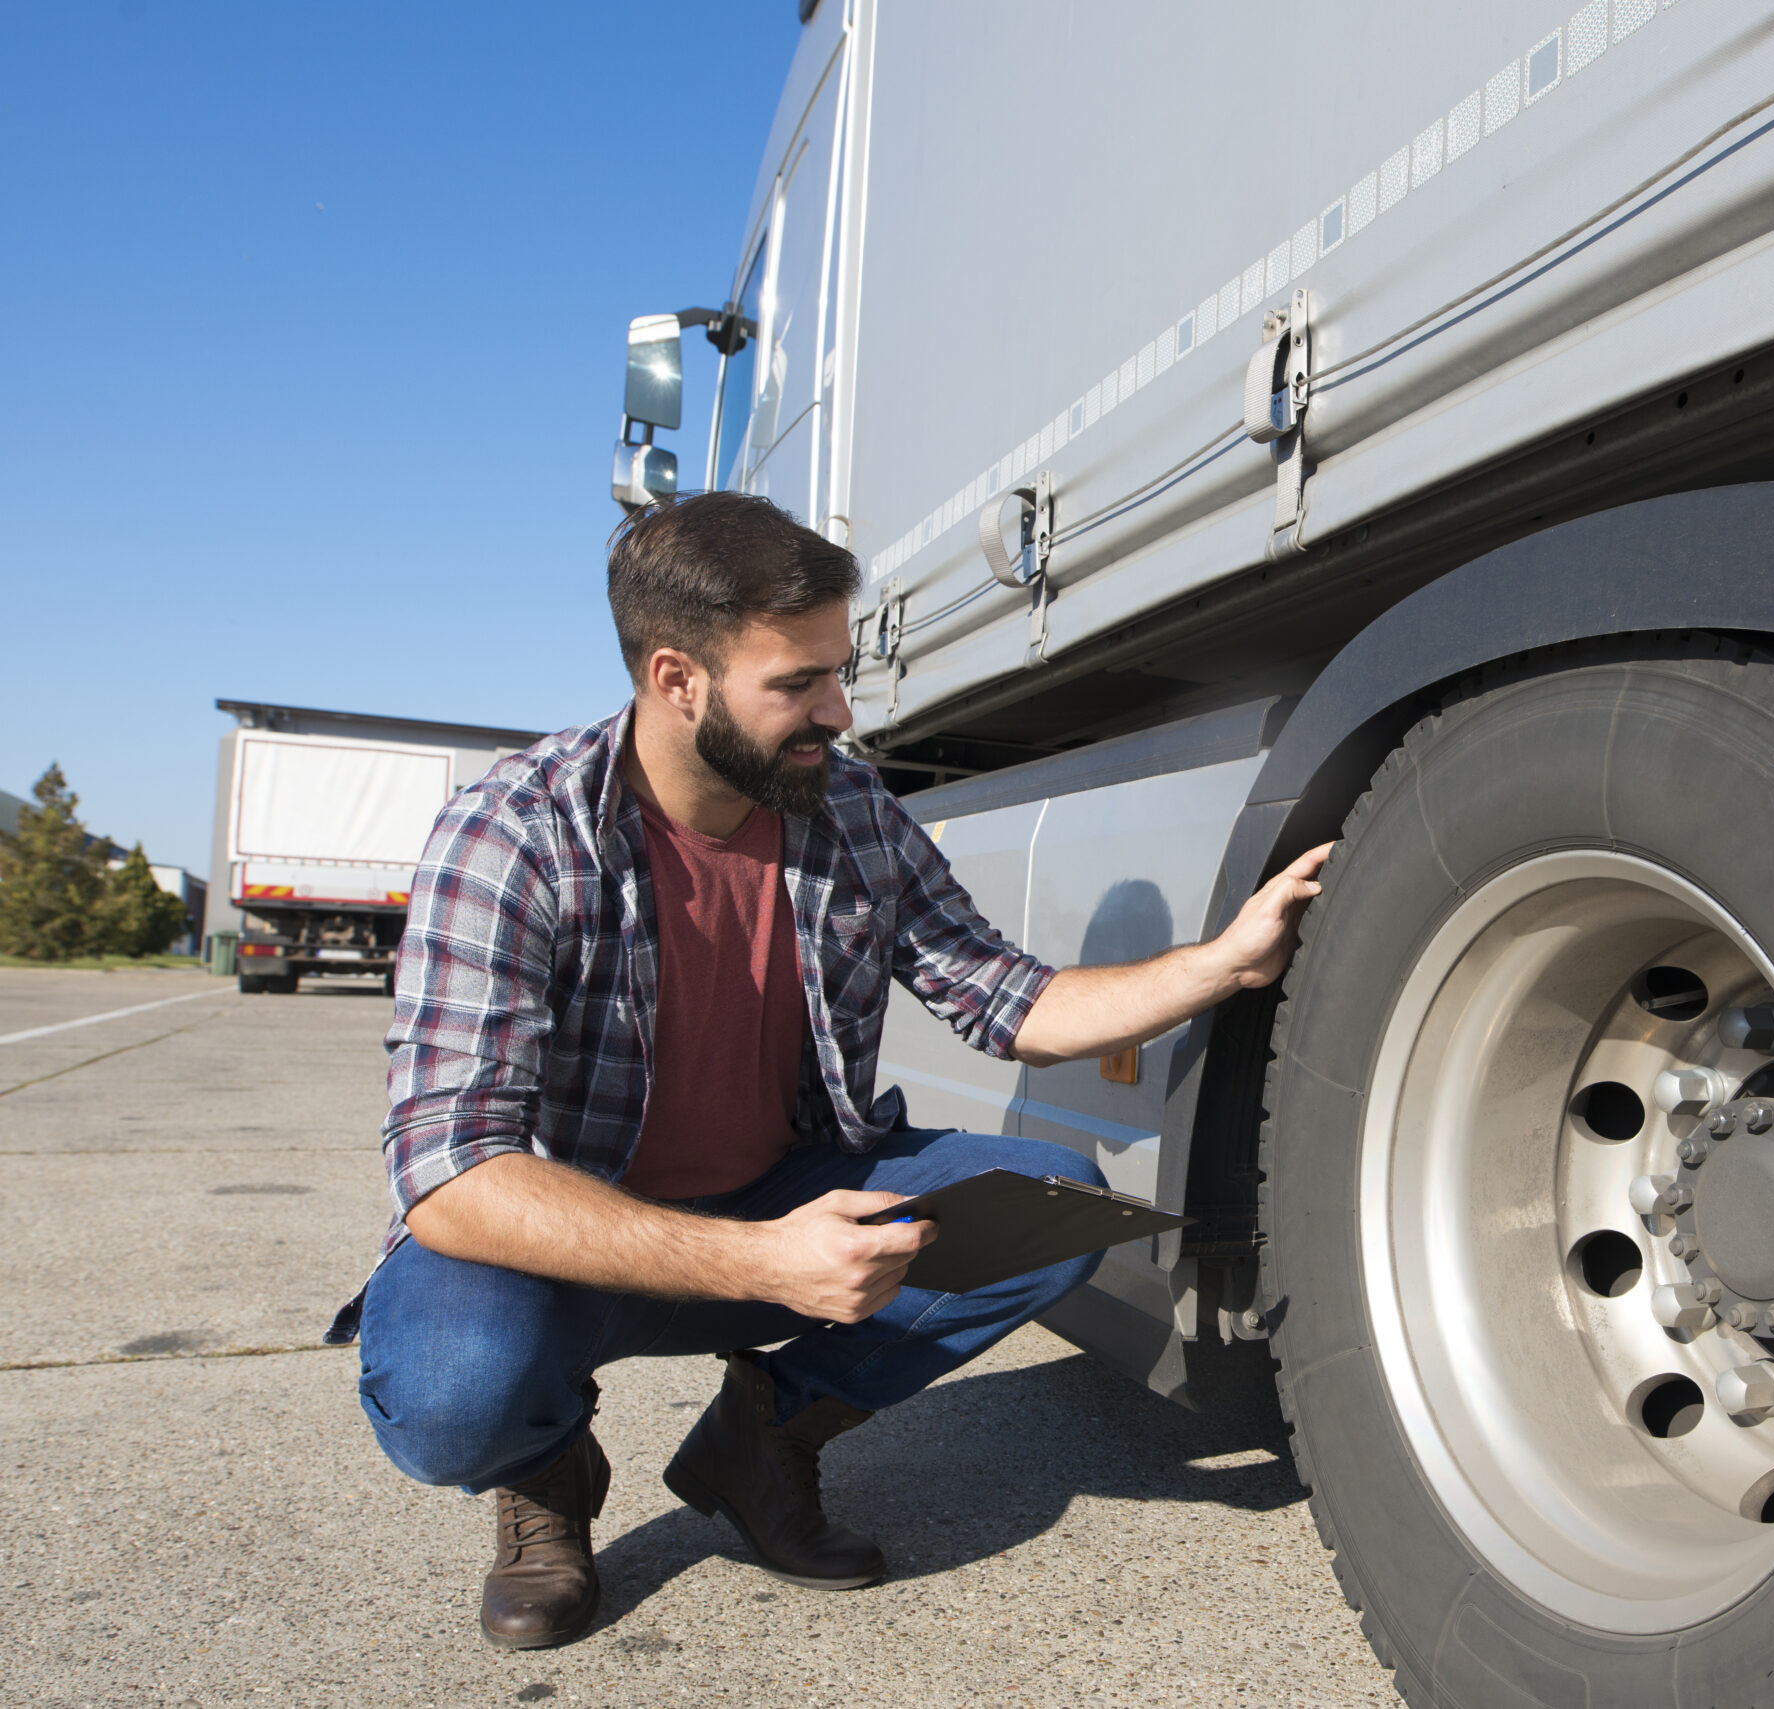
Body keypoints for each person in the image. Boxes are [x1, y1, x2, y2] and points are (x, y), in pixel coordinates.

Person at [332, 491, 1332, 1650]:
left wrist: (1223, 961)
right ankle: (544, 1468)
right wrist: (765, 1259)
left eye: (836, 671)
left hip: (778, 1187)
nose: (838, 711)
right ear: (676, 679)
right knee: (454, 1389)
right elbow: (451, 1170)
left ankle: (764, 1439)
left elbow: (1010, 1002)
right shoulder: (515, 831)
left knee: (1054, 1204)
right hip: (570, 1231)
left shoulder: (848, 810)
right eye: (797, 683)